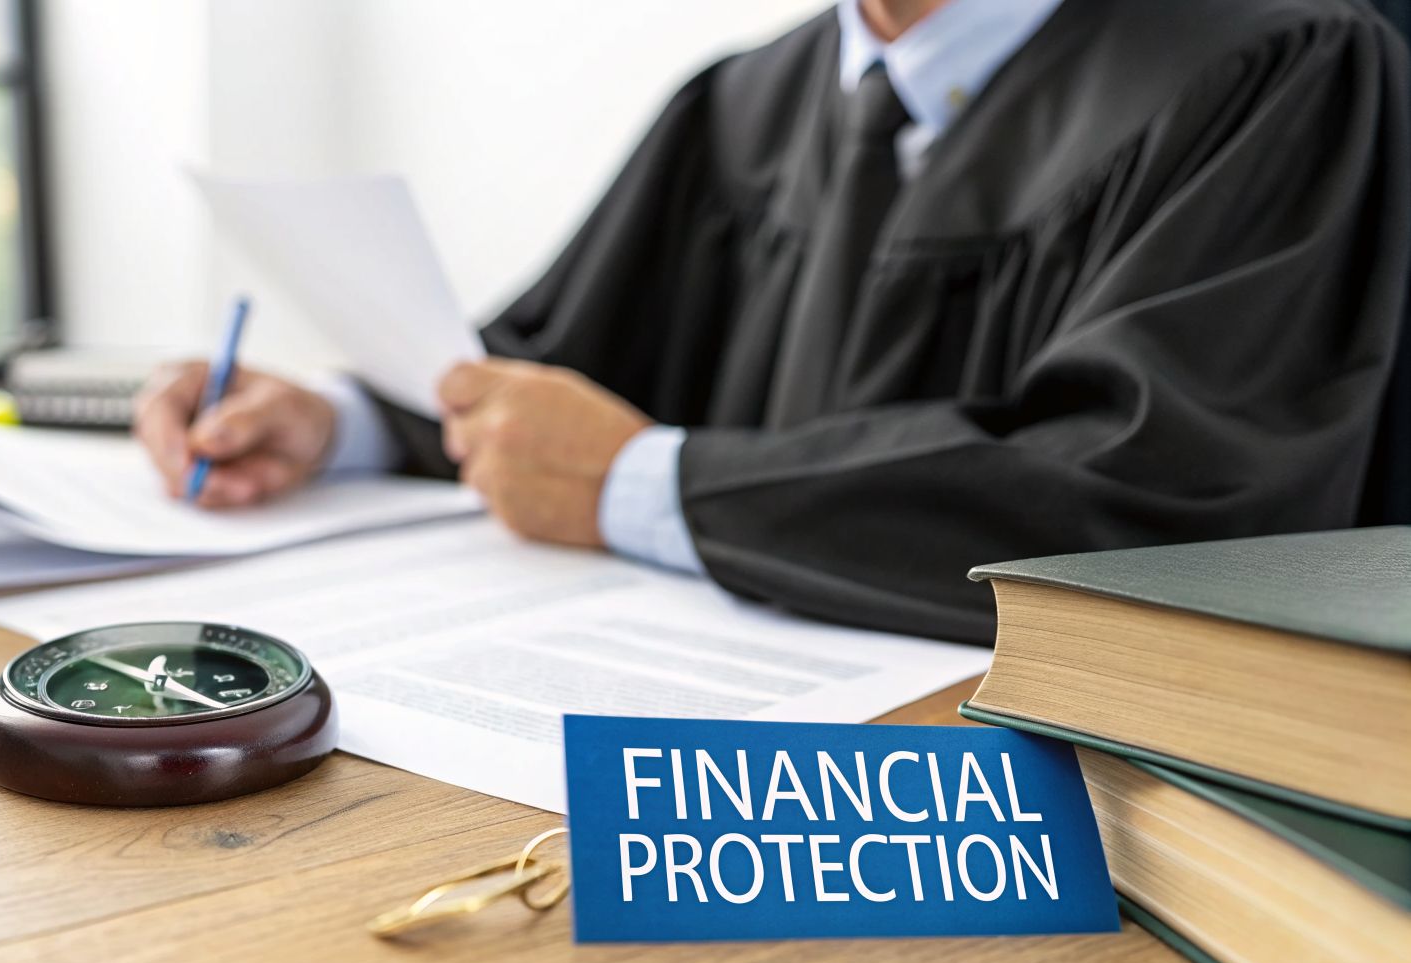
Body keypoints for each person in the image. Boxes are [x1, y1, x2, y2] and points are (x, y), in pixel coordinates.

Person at [134, 0, 1411, 645]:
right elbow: (552, 372)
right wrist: (337, 419)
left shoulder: (1277, 63)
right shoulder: (737, 102)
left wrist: (643, 484)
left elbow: (1165, 497)